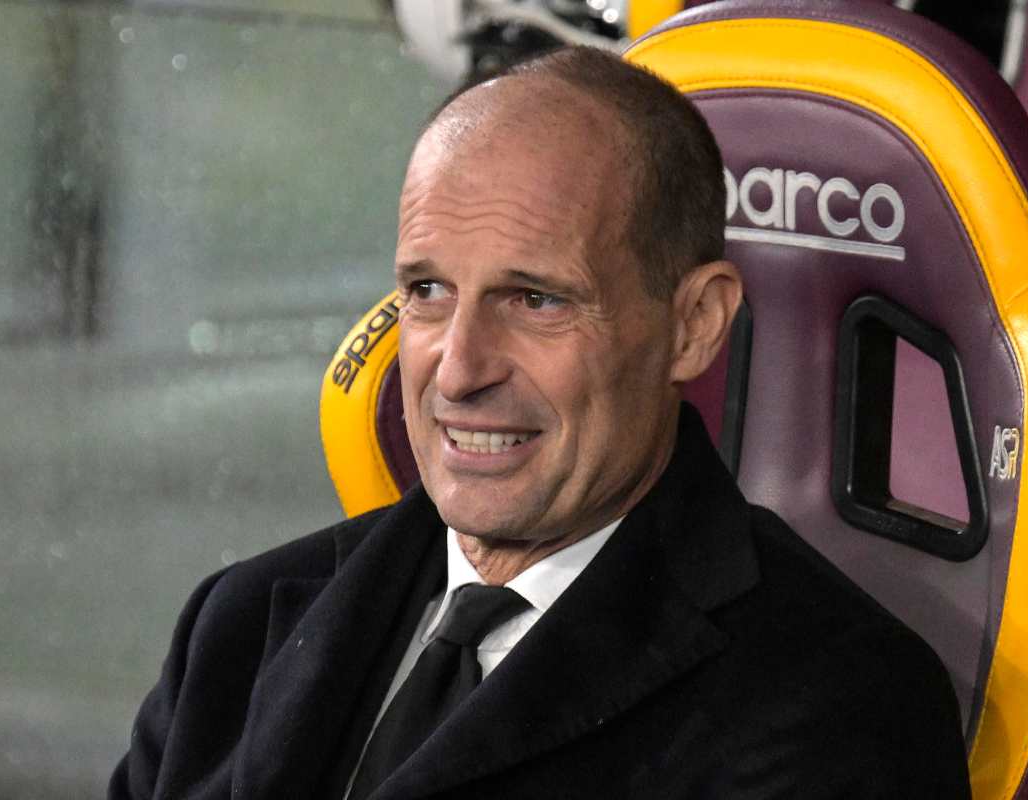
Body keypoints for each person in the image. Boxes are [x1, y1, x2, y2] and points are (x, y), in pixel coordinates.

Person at [110, 46, 970, 799]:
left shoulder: (839, 703)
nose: (458, 370)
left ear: (694, 324)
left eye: (535, 300)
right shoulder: (234, 627)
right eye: (427, 291)